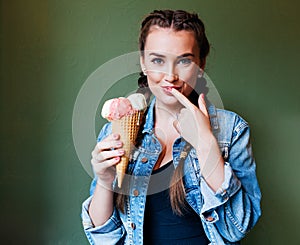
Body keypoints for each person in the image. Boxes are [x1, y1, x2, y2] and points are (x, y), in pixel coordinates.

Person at [81, 9, 261, 245]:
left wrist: (206, 143)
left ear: (201, 64)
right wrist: (104, 181)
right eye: (157, 60)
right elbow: (102, 238)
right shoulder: (116, 131)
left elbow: (237, 228)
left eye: (184, 61)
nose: (170, 76)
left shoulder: (231, 130)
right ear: (144, 64)